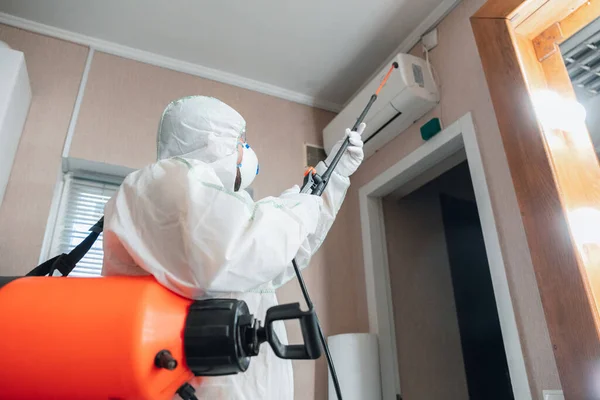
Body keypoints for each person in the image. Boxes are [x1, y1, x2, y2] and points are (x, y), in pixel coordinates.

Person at [102, 96, 365, 399]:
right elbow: (237, 253)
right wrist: (301, 204)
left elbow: (276, 259)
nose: (246, 152)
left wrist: (333, 177)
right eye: (241, 141)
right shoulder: (162, 183)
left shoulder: (214, 206)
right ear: (214, 142)